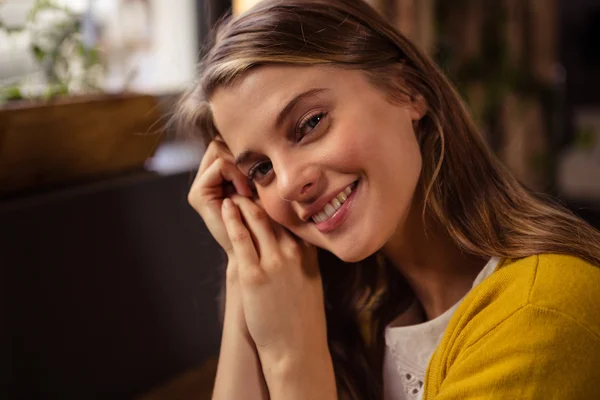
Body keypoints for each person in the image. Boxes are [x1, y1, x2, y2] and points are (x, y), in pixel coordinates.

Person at [174, 0, 600, 398]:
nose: (286, 185)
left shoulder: (541, 312)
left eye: (310, 123)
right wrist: (243, 262)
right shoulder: (362, 318)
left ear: (408, 89)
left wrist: (292, 361)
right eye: (260, 170)